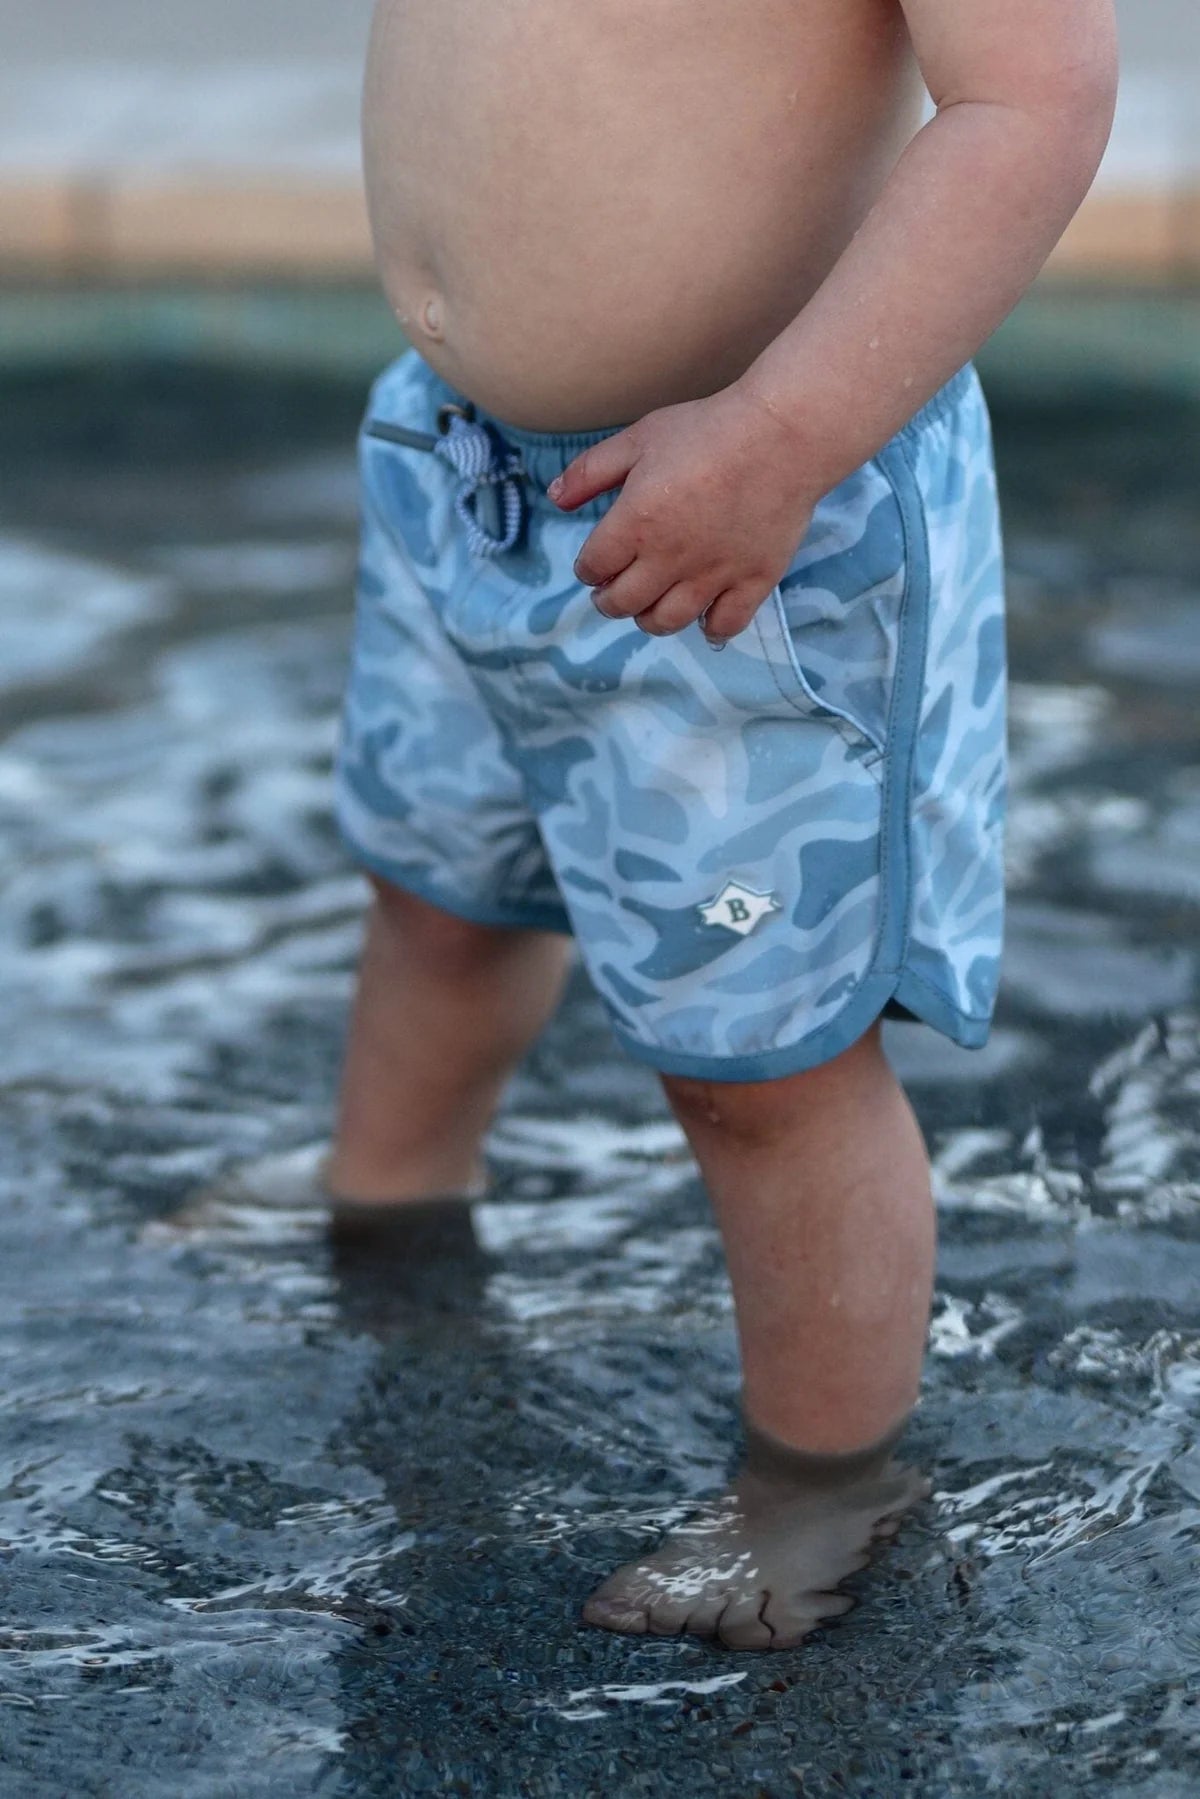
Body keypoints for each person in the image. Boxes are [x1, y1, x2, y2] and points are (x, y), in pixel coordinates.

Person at [315, 0, 1117, 1649]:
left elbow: (1033, 104)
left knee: (764, 1070)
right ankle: (383, 1204)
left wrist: (780, 434)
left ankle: (830, 1477)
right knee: (440, 900)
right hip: (463, 466)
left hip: (749, 524)